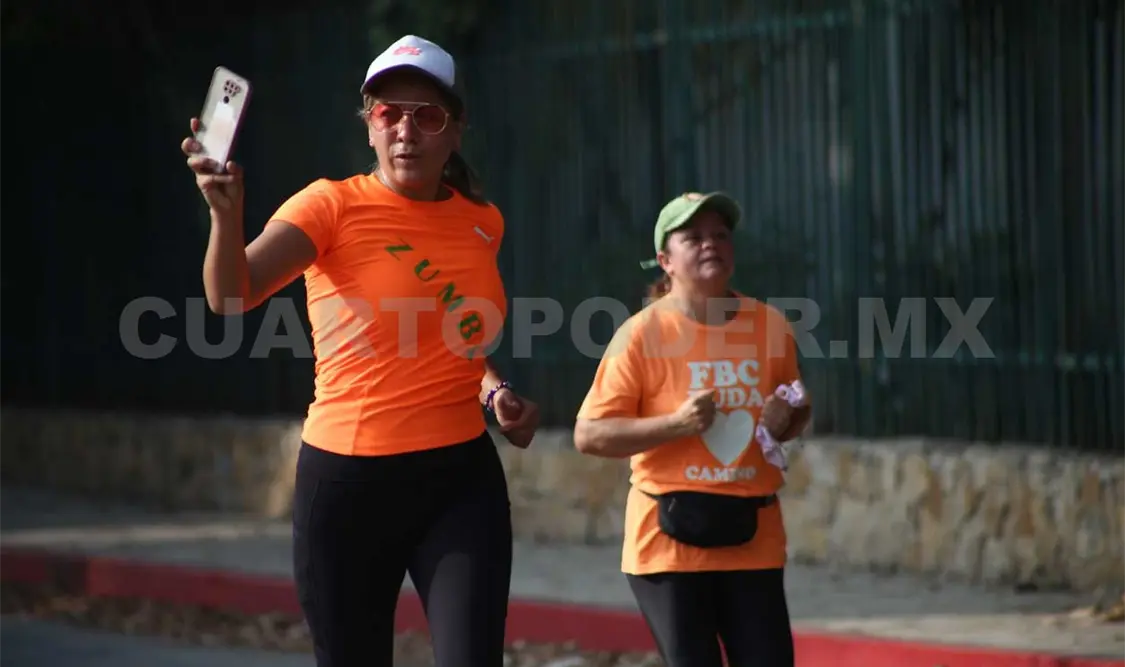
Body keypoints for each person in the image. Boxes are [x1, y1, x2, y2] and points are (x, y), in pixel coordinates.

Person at [180, 34, 540, 667]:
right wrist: (224, 217)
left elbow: (454, 332)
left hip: (460, 481)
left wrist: (492, 388)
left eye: (427, 116)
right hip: (349, 484)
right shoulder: (330, 206)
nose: (406, 130)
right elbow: (231, 297)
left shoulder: (483, 221)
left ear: (454, 131)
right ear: (369, 126)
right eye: (388, 113)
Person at [573, 191, 811, 667]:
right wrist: (675, 424)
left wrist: (788, 420)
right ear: (666, 260)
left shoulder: (771, 326)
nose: (710, 245)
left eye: (720, 235)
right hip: (668, 545)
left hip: (754, 538)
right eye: (694, 237)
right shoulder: (641, 334)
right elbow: (589, 434)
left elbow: (792, 406)